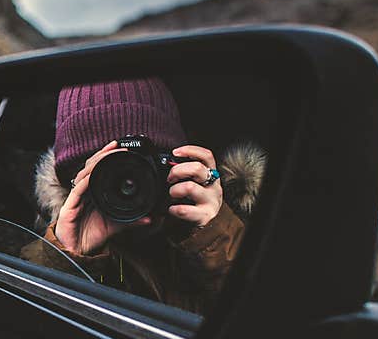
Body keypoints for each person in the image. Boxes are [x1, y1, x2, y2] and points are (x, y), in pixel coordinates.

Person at [23, 78, 267, 314]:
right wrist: (64, 256)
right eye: (109, 174)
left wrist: (216, 237)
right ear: (75, 183)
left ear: (176, 162)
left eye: (145, 166)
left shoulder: (224, 227)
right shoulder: (64, 240)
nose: (130, 185)